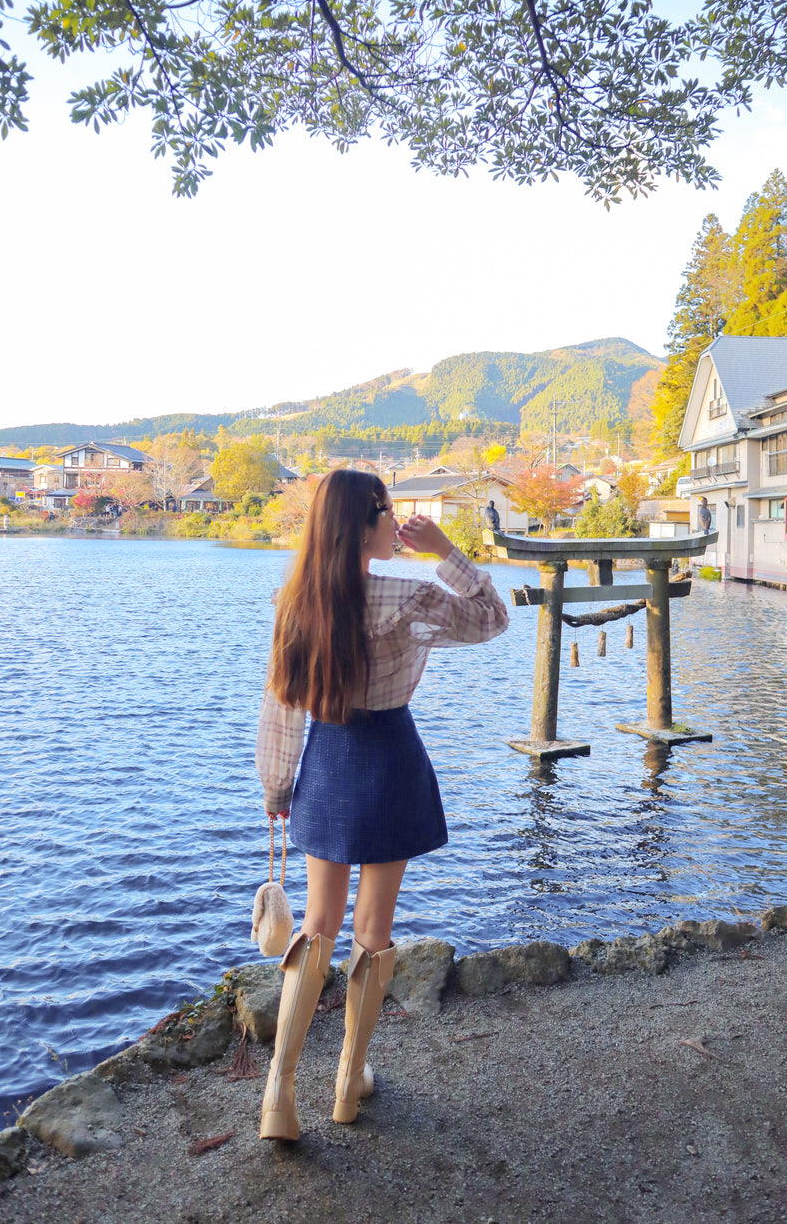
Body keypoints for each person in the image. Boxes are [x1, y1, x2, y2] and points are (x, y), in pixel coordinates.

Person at [255, 467, 509, 1141]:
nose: (396, 521)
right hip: (390, 756)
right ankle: (348, 1078)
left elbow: (280, 702)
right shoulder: (412, 592)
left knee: (318, 922)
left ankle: (278, 1090)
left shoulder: (298, 598)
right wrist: (446, 548)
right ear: (369, 520)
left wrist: (277, 786)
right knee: (373, 927)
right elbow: (492, 617)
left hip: (327, 757)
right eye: (390, 512)